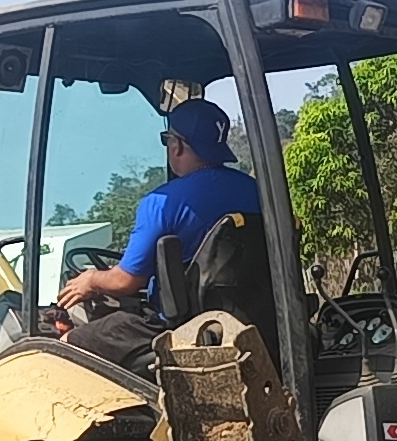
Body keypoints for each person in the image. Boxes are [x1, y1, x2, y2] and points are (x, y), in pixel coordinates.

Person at [56, 100, 264, 330]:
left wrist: (91, 279)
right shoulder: (257, 192)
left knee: (68, 340)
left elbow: (125, 281)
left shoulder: (161, 203)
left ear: (177, 146)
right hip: (256, 317)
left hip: (182, 327)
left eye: (168, 139)